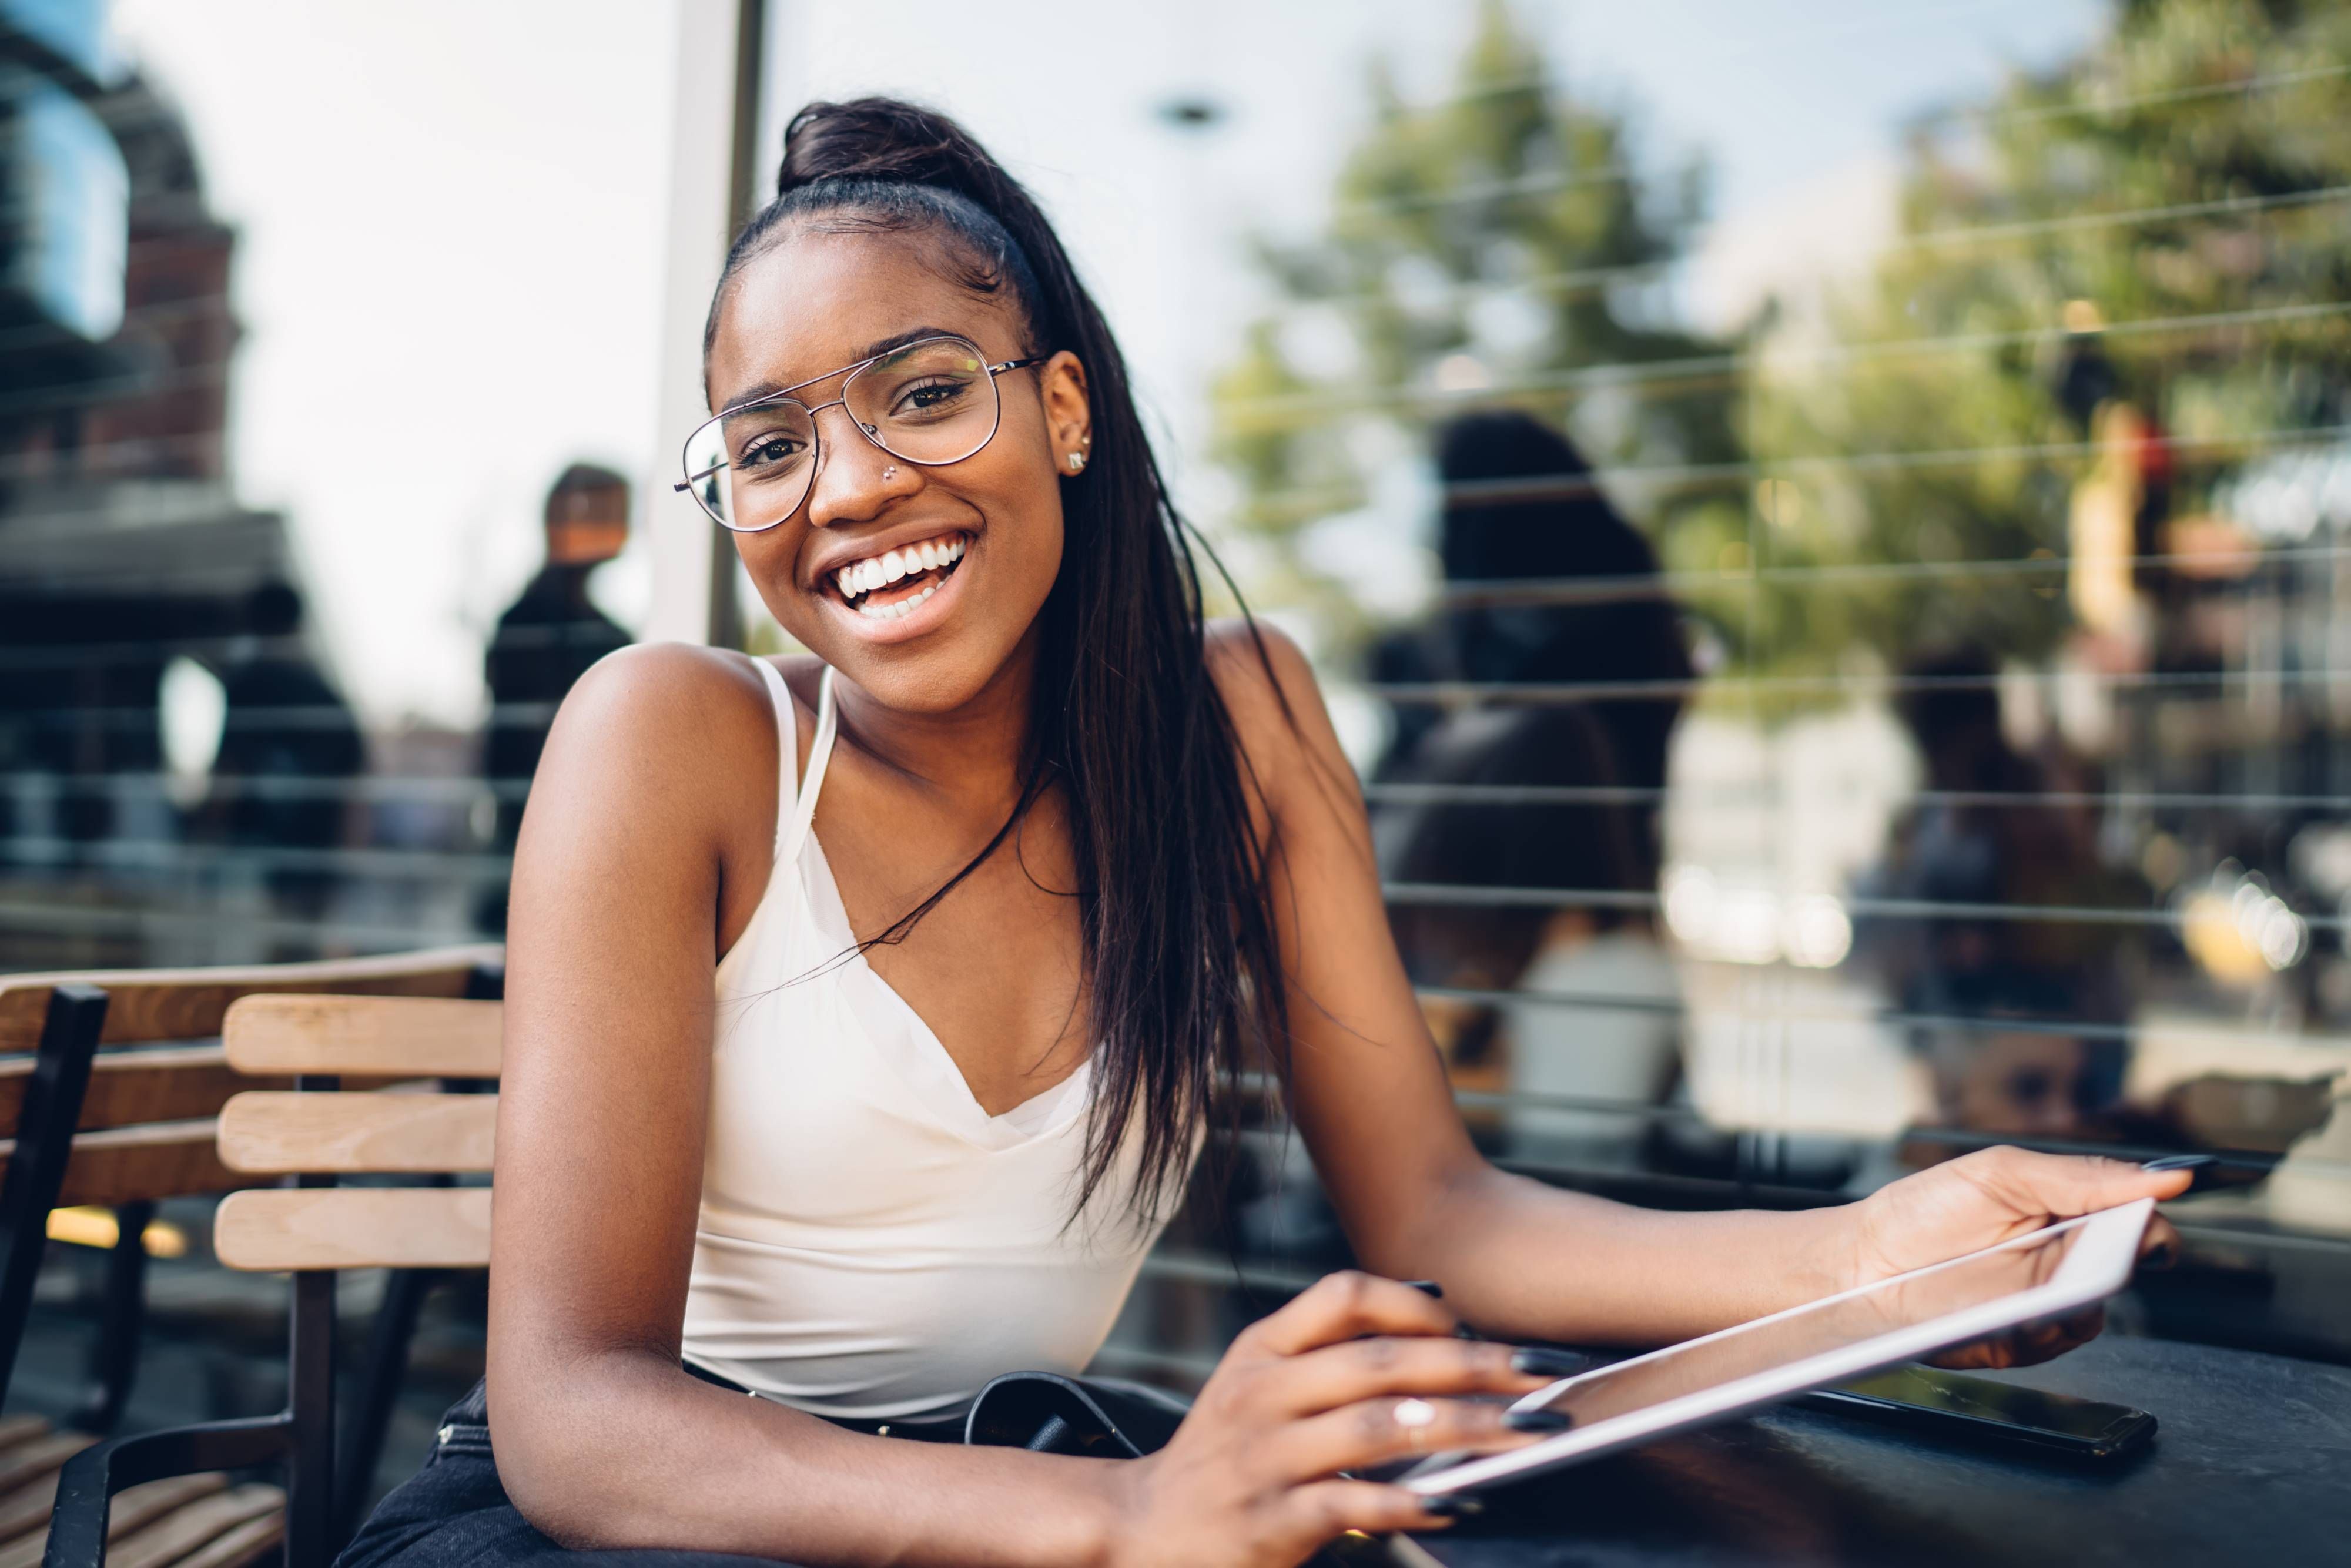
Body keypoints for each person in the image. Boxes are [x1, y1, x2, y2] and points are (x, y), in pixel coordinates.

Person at [341, 99, 2188, 1568]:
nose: (849, 490)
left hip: (1001, 1502)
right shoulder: (676, 734)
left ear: (1061, 410)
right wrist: (1134, 1513)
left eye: (921, 391)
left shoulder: (1239, 720)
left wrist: (1878, 1257)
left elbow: (1440, 1215)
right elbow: (573, 1416)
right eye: (767, 443)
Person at [478, 463, 634, 928]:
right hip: (546, 831)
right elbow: (520, 740)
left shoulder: (599, 630)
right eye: (603, 510)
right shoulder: (531, 624)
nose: (621, 526)